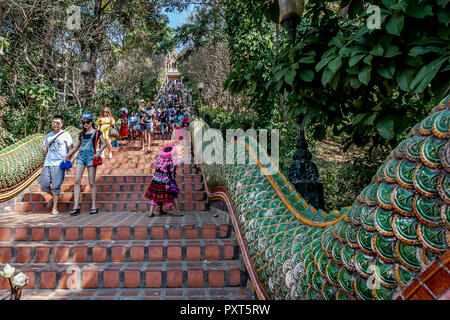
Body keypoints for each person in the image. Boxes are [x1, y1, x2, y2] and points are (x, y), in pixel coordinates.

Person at [65, 114, 107, 216]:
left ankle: (93, 205)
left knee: (91, 182)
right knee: (77, 180)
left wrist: (99, 151)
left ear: (91, 122)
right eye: (83, 122)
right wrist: (67, 156)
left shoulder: (97, 132)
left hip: (91, 157)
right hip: (81, 157)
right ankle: (76, 206)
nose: (85, 124)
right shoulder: (81, 134)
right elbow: (76, 148)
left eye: (87, 122)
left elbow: (105, 143)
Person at [40, 115, 74, 215]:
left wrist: (67, 161)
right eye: (54, 122)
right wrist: (44, 162)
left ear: (62, 124)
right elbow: (46, 150)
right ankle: (54, 196)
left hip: (59, 164)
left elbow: (71, 149)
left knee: (56, 187)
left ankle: (55, 208)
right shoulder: (48, 135)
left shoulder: (66, 135)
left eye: (58, 123)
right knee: (44, 186)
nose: (56, 125)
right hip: (48, 163)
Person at [144, 144, 183, 217]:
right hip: (164, 182)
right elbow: (172, 175)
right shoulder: (171, 161)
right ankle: (175, 212)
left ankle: (151, 213)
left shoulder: (159, 158)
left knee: (155, 197)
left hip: (155, 180)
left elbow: (156, 168)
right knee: (167, 197)